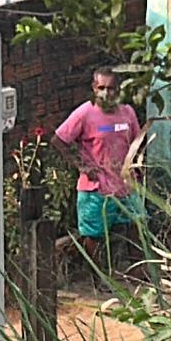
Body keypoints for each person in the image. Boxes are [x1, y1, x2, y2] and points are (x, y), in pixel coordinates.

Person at [51, 70, 146, 270]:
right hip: (95, 187)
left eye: (110, 88)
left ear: (118, 89)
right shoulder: (84, 113)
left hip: (126, 185)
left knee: (138, 226)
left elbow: (138, 142)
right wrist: (82, 166)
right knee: (94, 235)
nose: (106, 93)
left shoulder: (127, 111)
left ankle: (140, 274)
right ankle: (100, 278)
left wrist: (138, 165)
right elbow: (59, 140)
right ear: (94, 89)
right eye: (101, 88)